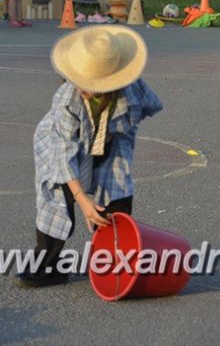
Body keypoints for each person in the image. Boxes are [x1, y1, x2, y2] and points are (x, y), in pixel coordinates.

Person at [18, 26, 163, 287]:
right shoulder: (66, 99)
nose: (85, 87)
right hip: (62, 141)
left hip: (111, 138)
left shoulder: (131, 90)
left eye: (94, 82)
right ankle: (47, 266)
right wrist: (82, 198)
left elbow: (149, 107)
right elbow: (63, 153)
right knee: (57, 195)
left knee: (117, 192)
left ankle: (111, 261)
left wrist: (109, 134)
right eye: (82, 79)